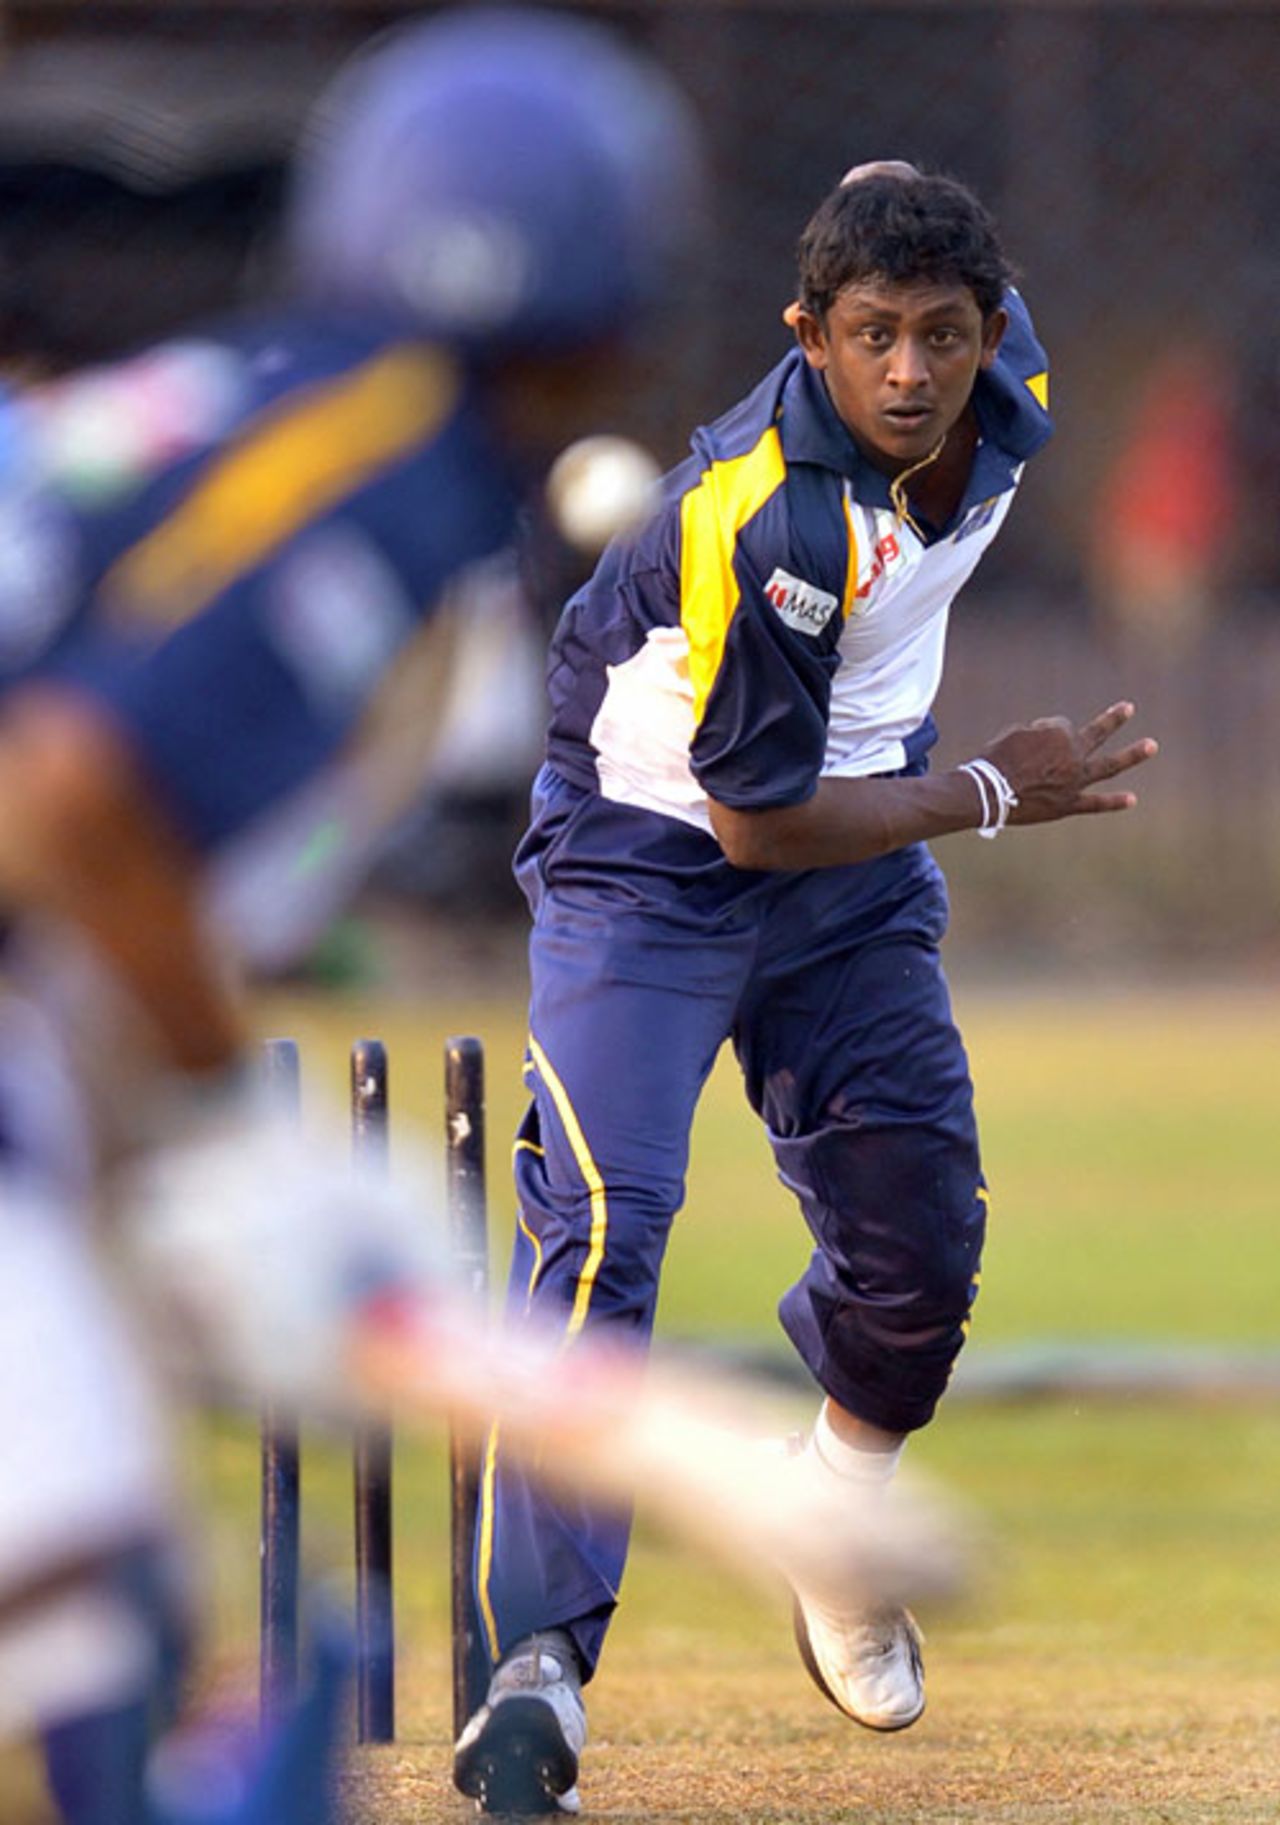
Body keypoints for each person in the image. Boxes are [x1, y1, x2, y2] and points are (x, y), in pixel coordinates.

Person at [0, 10, 703, 1823]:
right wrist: (236, 1122)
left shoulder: (265, 379)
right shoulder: (393, 471)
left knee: (89, 1599)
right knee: (93, 1603)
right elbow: (66, 798)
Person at [457, 162, 1158, 1814]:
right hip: (658, 849)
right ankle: (538, 1663)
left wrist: (886, 196)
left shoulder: (1014, 382)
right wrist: (992, 790)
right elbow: (754, 821)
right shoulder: (765, 510)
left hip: (850, 842)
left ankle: (834, 1511)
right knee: (608, 1216)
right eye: (870, 338)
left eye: (940, 334)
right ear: (810, 339)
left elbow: (892, 212)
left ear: (993, 333)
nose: (911, 372)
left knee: (924, 1233)